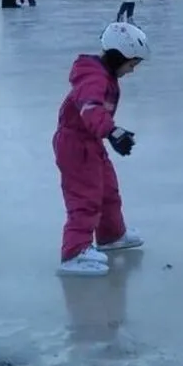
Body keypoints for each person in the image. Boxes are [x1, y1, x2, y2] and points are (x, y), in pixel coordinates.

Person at [54, 22, 148, 277]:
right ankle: (74, 252)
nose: (131, 71)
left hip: (91, 140)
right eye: (131, 64)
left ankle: (111, 235)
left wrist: (108, 131)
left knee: (108, 190)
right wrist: (112, 131)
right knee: (85, 197)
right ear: (119, 56)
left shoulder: (104, 73)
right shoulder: (92, 76)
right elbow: (90, 107)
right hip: (75, 145)